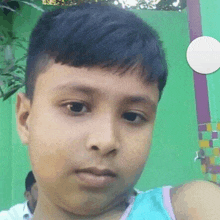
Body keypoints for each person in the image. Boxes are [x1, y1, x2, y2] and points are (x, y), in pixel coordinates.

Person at [15, 3, 220, 220]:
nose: (106, 141)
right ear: (25, 119)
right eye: (76, 107)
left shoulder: (187, 209)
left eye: (132, 116)